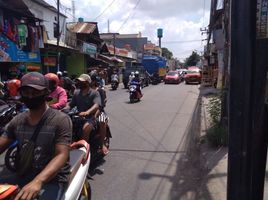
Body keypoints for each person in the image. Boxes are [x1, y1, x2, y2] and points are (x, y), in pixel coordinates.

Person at [0, 72, 72, 200]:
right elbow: (2, 142)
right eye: (26, 92)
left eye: (35, 92)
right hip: (24, 174)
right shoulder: (17, 120)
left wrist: (38, 181)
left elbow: (62, 154)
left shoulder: (60, 120)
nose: (30, 96)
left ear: (45, 93)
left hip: (53, 179)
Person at [68, 74, 101, 141]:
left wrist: (87, 112)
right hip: (78, 117)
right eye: (78, 81)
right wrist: (63, 109)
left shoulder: (95, 93)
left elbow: (96, 105)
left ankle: (84, 149)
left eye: (81, 82)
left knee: (85, 128)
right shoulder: (76, 93)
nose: (79, 83)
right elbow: (71, 105)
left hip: (91, 118)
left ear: (87, 83)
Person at [91, 74, 109, 155]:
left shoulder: (100, 91)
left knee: (102, 121)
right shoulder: (85, 90)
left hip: (99, 112)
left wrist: (95, 114)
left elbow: (101, 105)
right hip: (86, 111)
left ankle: (102, 145)